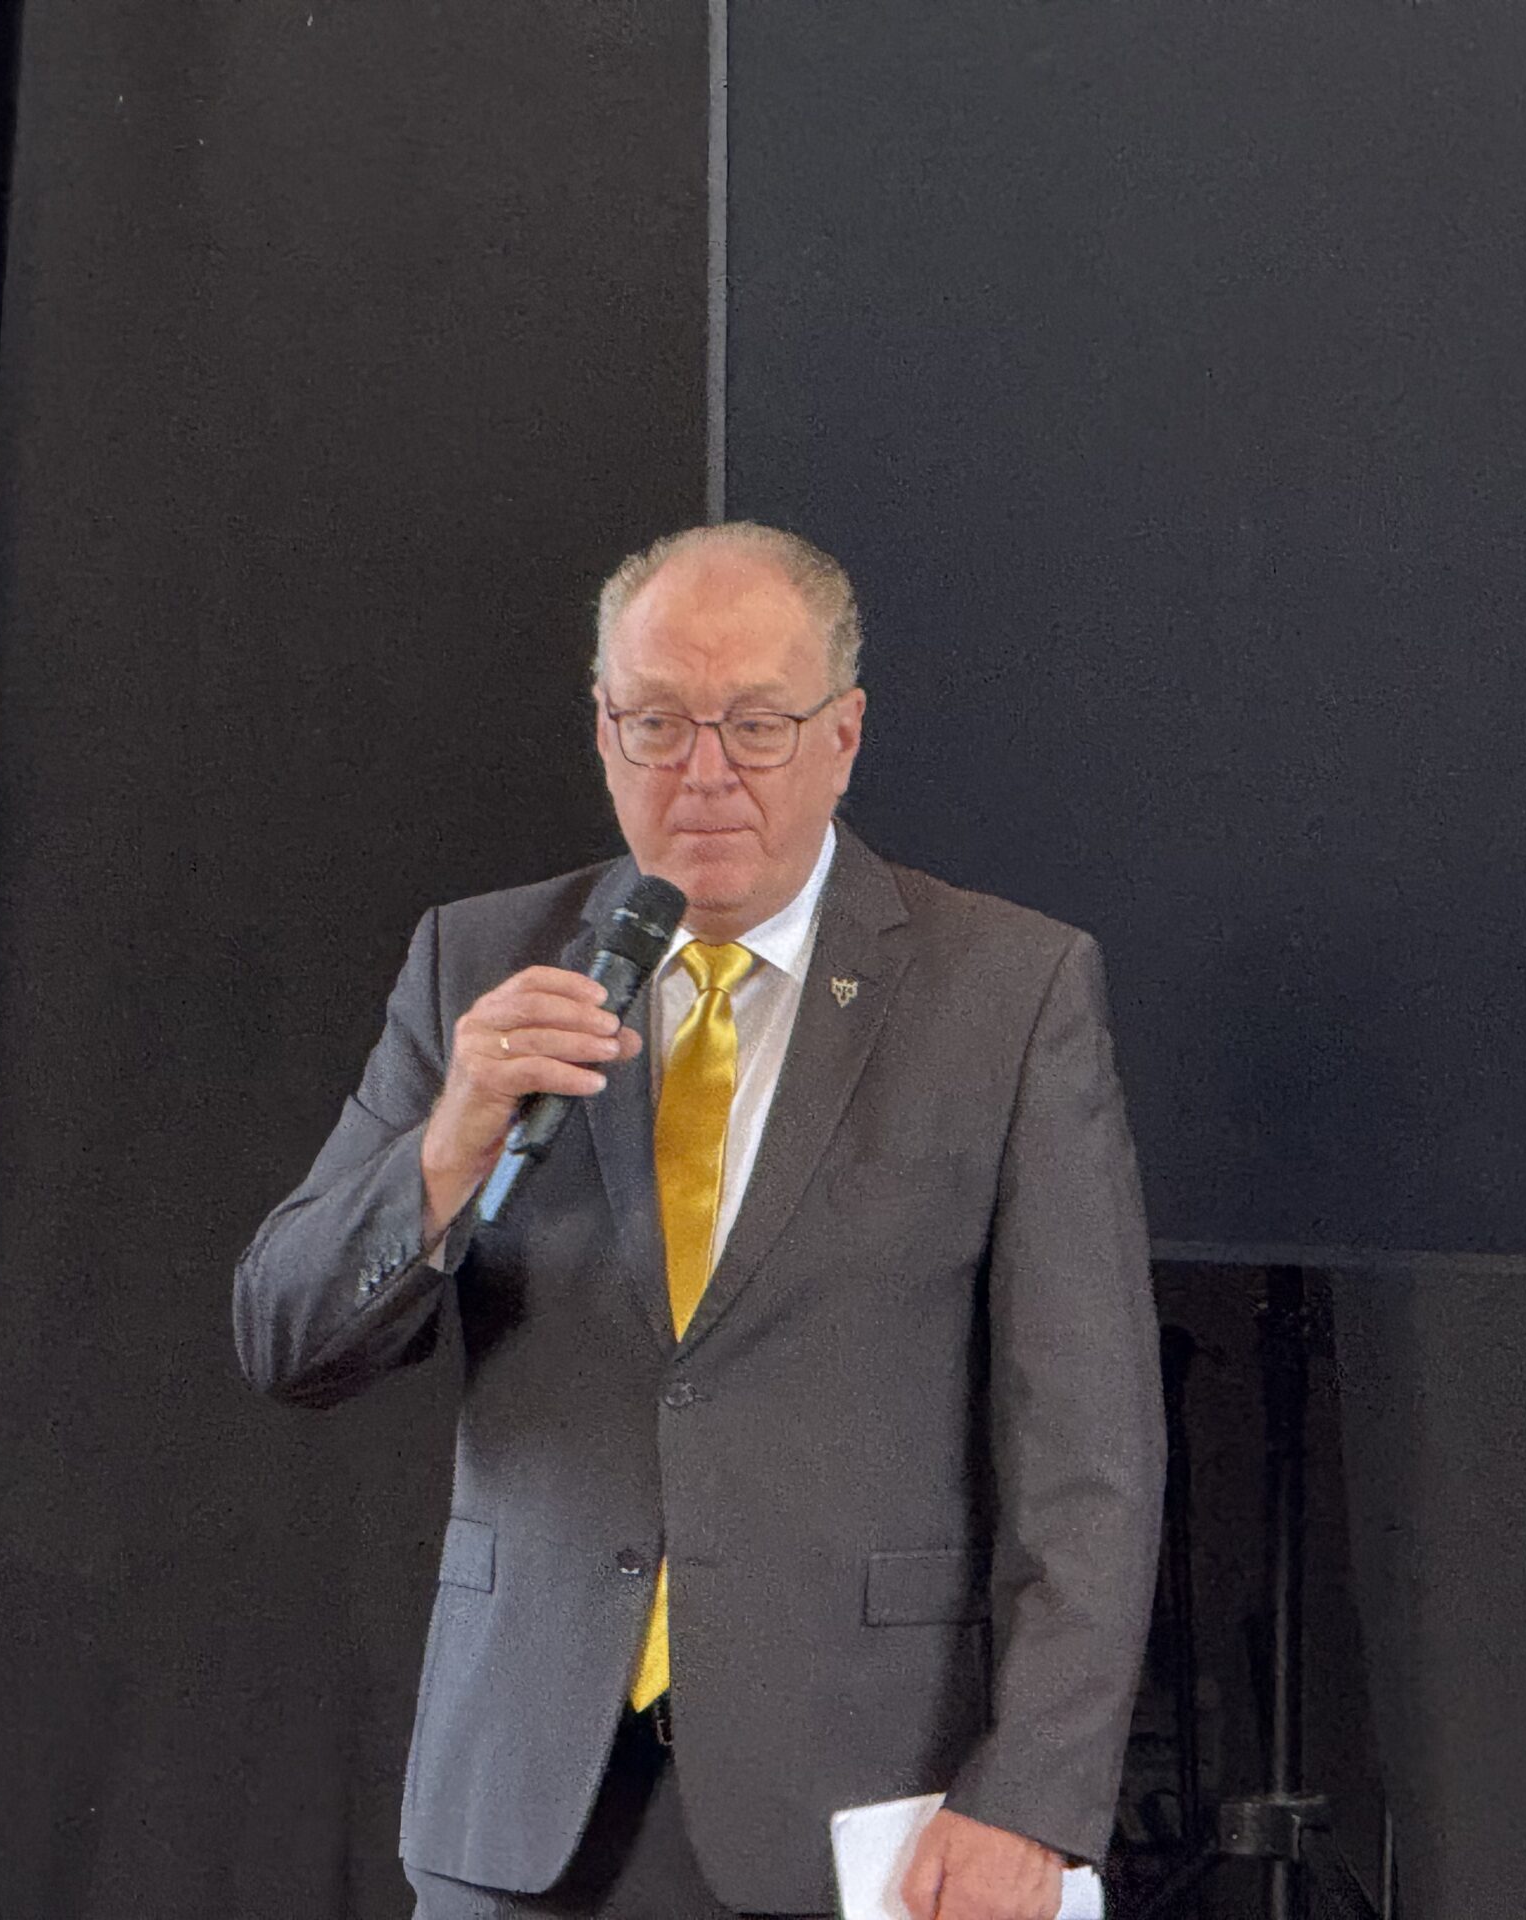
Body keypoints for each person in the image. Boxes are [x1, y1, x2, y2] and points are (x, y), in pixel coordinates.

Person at [234, 523, 1164, 1920]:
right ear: (605, 732)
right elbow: (284, 1338)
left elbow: (1088, 1445)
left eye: (757, 723)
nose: (706, 771)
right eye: (659, 721)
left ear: (843, 737)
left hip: (867, 1809)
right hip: (524, 1805)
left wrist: (1034, 1793)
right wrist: (447, 1143)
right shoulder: (482, 965)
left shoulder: (1005, 991)